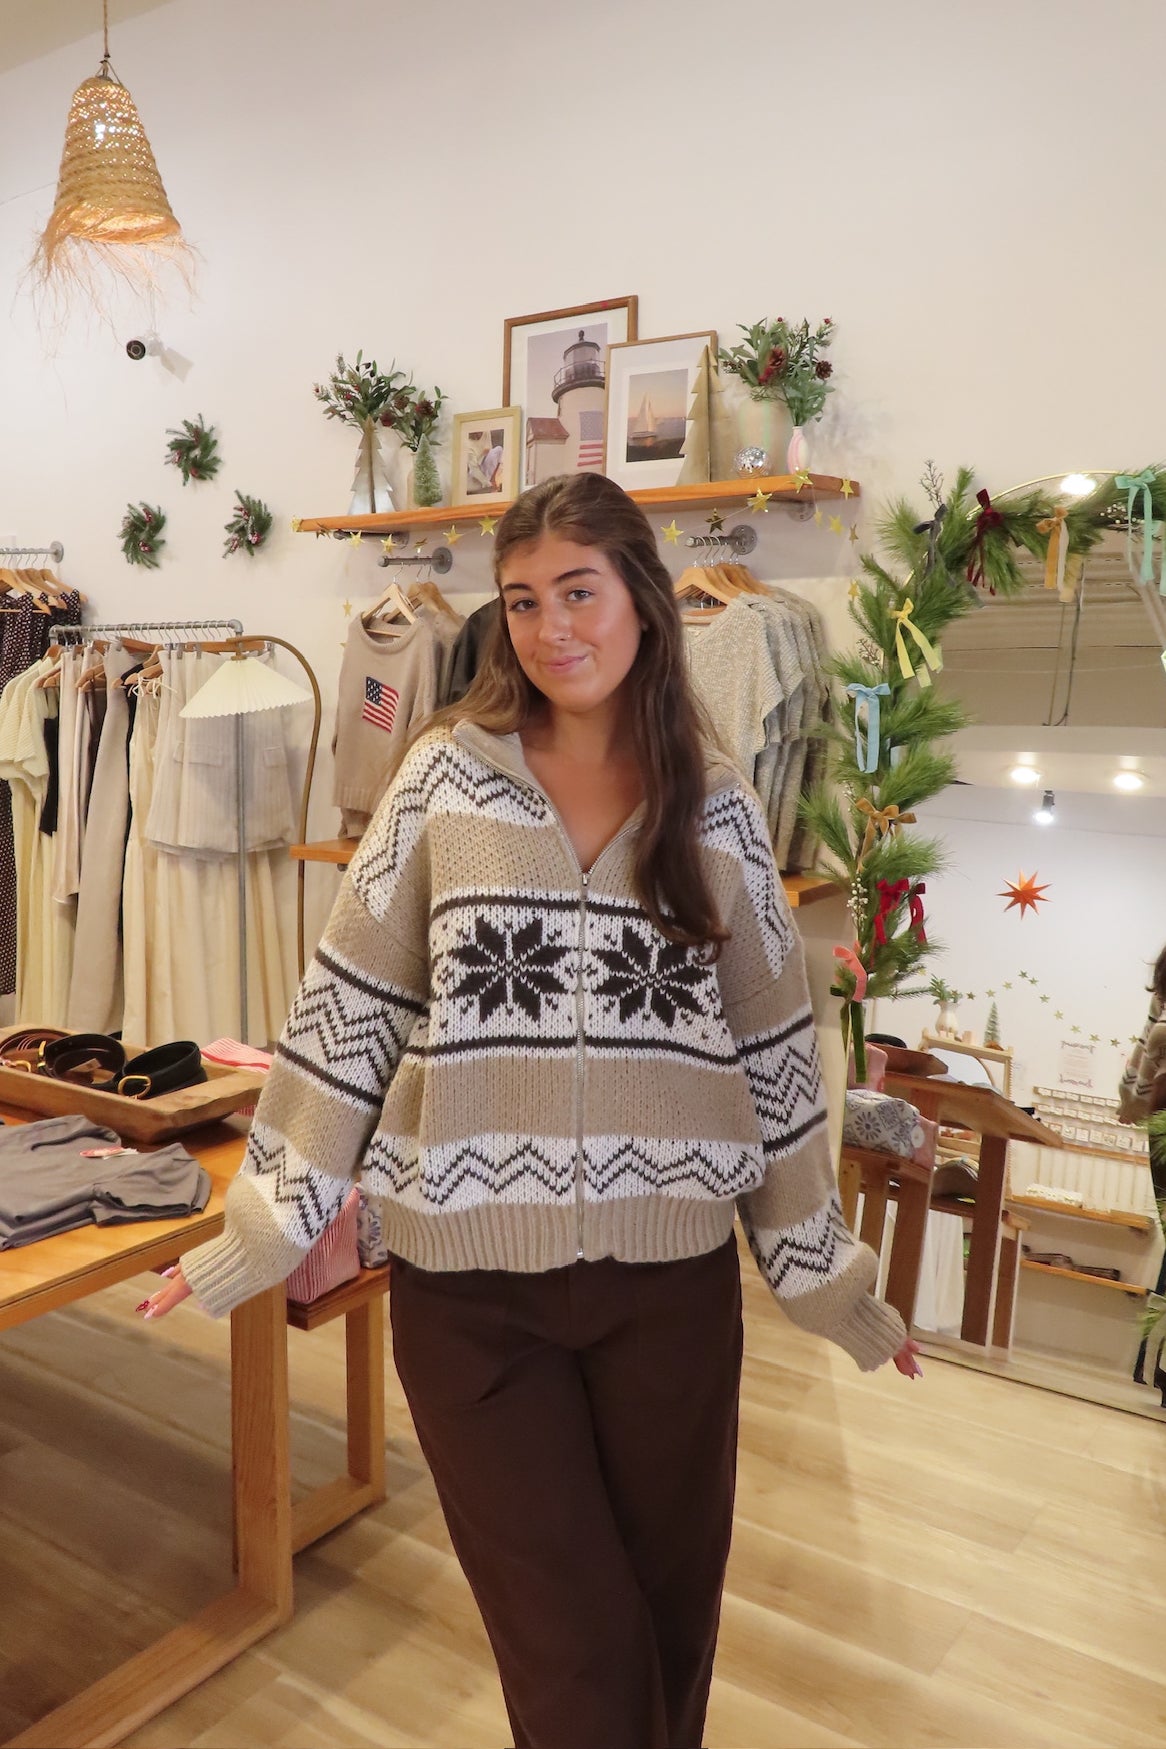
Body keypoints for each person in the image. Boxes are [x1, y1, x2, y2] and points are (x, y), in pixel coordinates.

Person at [141, 471, 919, 1749]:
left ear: (640, 602)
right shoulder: (442, 782)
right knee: (578, 1663)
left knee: (669, 1637)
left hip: (666, 1295)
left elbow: (778, 1053)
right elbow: (348, 1015)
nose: (552, 627)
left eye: (577, 591)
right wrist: (264, 1232)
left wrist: (824, 1280)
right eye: (521, 601)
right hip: (469, 1306)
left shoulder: (712, 802)